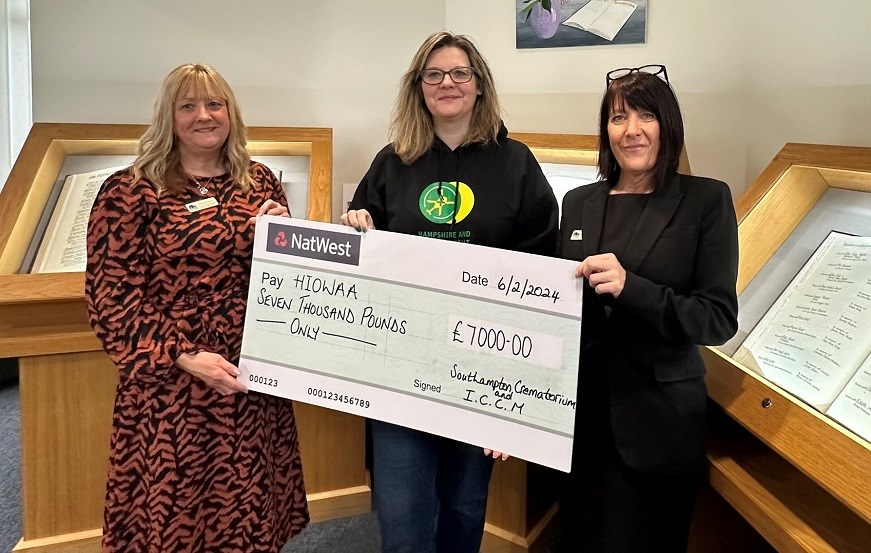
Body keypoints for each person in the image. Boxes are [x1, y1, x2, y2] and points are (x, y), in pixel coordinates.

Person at [342, 32, 558, 553]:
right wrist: (354, 228)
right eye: (434, 75)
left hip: (480, 371)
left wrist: (520, 397)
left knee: (464, 510)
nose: (448, 84)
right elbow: (360, 263)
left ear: (479, 86)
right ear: (419, 88)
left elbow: (542, 274)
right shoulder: (391, 163)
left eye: (460, 73)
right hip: (400, 371)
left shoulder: (517, 164)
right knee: (401, 512)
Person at [85, 63, 309, 552]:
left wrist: (286, 232)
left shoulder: (260, 182)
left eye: (214, 104)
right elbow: (111, 299)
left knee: (248, 511)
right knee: (173, 516)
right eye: (188, 105)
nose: (204, 115)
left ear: (231, 113)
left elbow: (288, 280)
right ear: (169, 117)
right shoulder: (131, 190)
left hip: (249, 379)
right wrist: (184, 356)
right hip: (171, 389)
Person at [555, 65, 739, 552]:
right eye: (618, 118)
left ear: (668, 125)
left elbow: (716, 318)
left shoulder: (707, 201)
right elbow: (555, 310)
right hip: (578, 426)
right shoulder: (577, 203)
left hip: (657, 427)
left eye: (646, 116)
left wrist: (631, 288)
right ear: (605, 131)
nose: (631, 130)